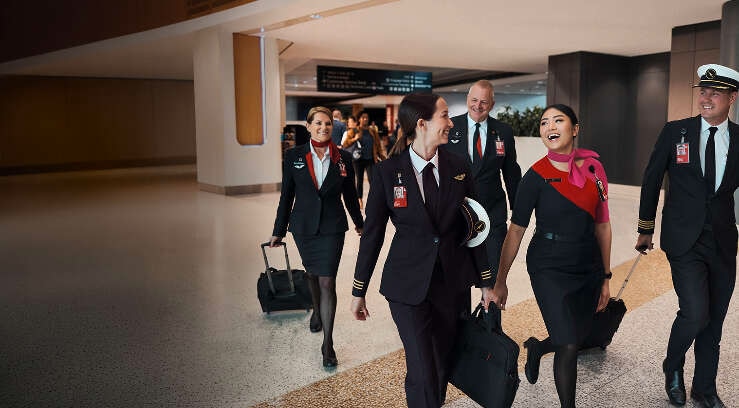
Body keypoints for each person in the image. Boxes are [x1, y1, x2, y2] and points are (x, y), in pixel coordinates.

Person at [350, 93, 491, 408]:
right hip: (406, 286)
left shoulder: (458, 166)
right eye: (444, 115)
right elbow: (371, 235)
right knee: (423, 369)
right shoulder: (388, 173)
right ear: (422, 124)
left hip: (452, 285)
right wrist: (358, 289)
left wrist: (485, 282)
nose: (451, 122)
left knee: (441, 366)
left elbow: (475, 227)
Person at [488, 104, 612, 408]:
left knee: (575, 335)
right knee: (569, 343)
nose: (550, 126)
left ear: (575, 128)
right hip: (549, 266)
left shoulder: (594, 166)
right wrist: (500, 281)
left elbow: (603, 225)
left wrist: (606, 278)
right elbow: (515, 231)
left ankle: (537, 346)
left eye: (558, 120)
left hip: (587, 263)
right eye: (544, 122)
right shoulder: (535, 177)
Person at [635, 64, 739, 408]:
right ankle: (673, 365)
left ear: (732, 98)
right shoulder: (675, 131)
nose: (706, 98)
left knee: (715, 320)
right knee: (695, 312)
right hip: (684, 239)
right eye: (703, 91)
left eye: (715, 93)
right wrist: (645, 227)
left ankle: (705, 389)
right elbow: (652, 179)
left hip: (723, 240)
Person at [269, 106, 363, 368]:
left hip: (332, 227)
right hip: (303, 227)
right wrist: (278, 229)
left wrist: (359, 223)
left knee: (327, 281)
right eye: (318, 123)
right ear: (308, 126)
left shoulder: (343, 158)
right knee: (312, 274)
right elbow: (286, 196)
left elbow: (350, 197)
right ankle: (315, 310)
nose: (323, 128)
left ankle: (328, 343)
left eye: (328, 125)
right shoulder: (294, 156)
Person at [442, 80, 521, 295]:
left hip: (492, 214)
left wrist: (519, 209)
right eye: (474, 100)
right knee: (459, 278)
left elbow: (511, 172)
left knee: (493, 277)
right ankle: (463, 327)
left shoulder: (503, 131)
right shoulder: (449, 127)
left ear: (492, 104)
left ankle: (492, 327)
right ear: (467, 100)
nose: (478, 105)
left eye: (484, 101)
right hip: (456, 215)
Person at [353, 111, 386, 208]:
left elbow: (377, 145)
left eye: (366, 117)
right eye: (363, 117)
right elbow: (346, 143)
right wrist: (355, 138)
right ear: (359, 119)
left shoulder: (372, 131)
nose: (365, 119)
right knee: (359, 181)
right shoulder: (354, 130)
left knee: (373, 180)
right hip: (358, 160)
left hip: (371, 159)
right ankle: (359, 200)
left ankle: (374, 200)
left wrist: (382, 156)